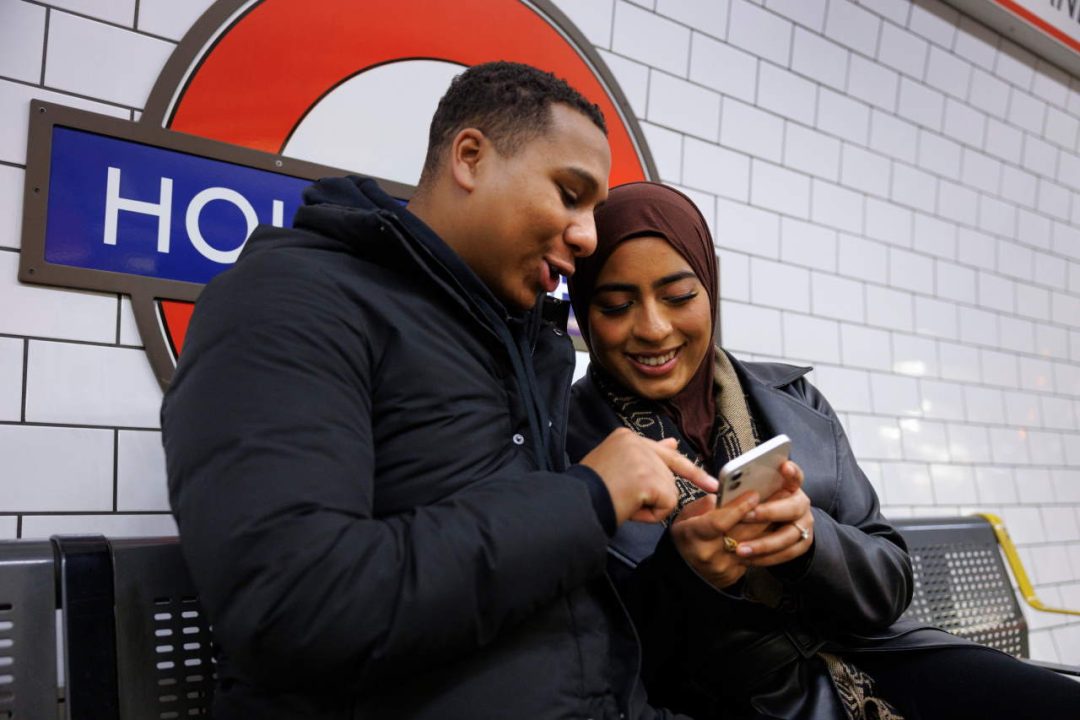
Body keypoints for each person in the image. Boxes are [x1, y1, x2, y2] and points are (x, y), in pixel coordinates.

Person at [161, 63, 720, 719]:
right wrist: (590, 496)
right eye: (570, 194)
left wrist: (689, 558)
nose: (588, 236)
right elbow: (294, 609)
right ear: (471, 157)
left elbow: (552, 605)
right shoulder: (290, 300)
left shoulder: (522, 345)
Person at [566, 181, 1080, 720]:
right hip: (738, 697)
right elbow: (591, 665)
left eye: (679, 297)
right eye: (617, 305)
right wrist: (685, 576)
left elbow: (890, 583)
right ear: (584, 309)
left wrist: (809, 539)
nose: (653, 327)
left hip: (882, 658)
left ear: (710, 290)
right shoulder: (570, 443)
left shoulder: (791, 399)